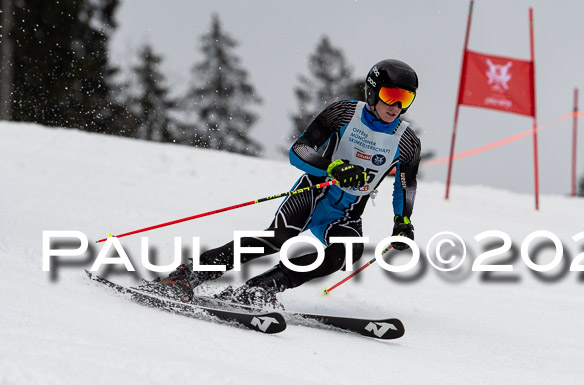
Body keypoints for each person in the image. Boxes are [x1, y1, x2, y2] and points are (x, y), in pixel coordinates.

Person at [154, 59, 422, 307]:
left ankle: (258, 290)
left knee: (342, 255)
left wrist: (402, 222)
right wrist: (332, 168)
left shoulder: (407, 141)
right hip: (314, 194)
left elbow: (405, 185)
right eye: (391, 95)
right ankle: (187, 276)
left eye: (405, 98)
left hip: (347, 213)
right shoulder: (343, 113)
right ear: (373, 91)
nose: (396, 106)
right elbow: (300, 150)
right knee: (277, 239)